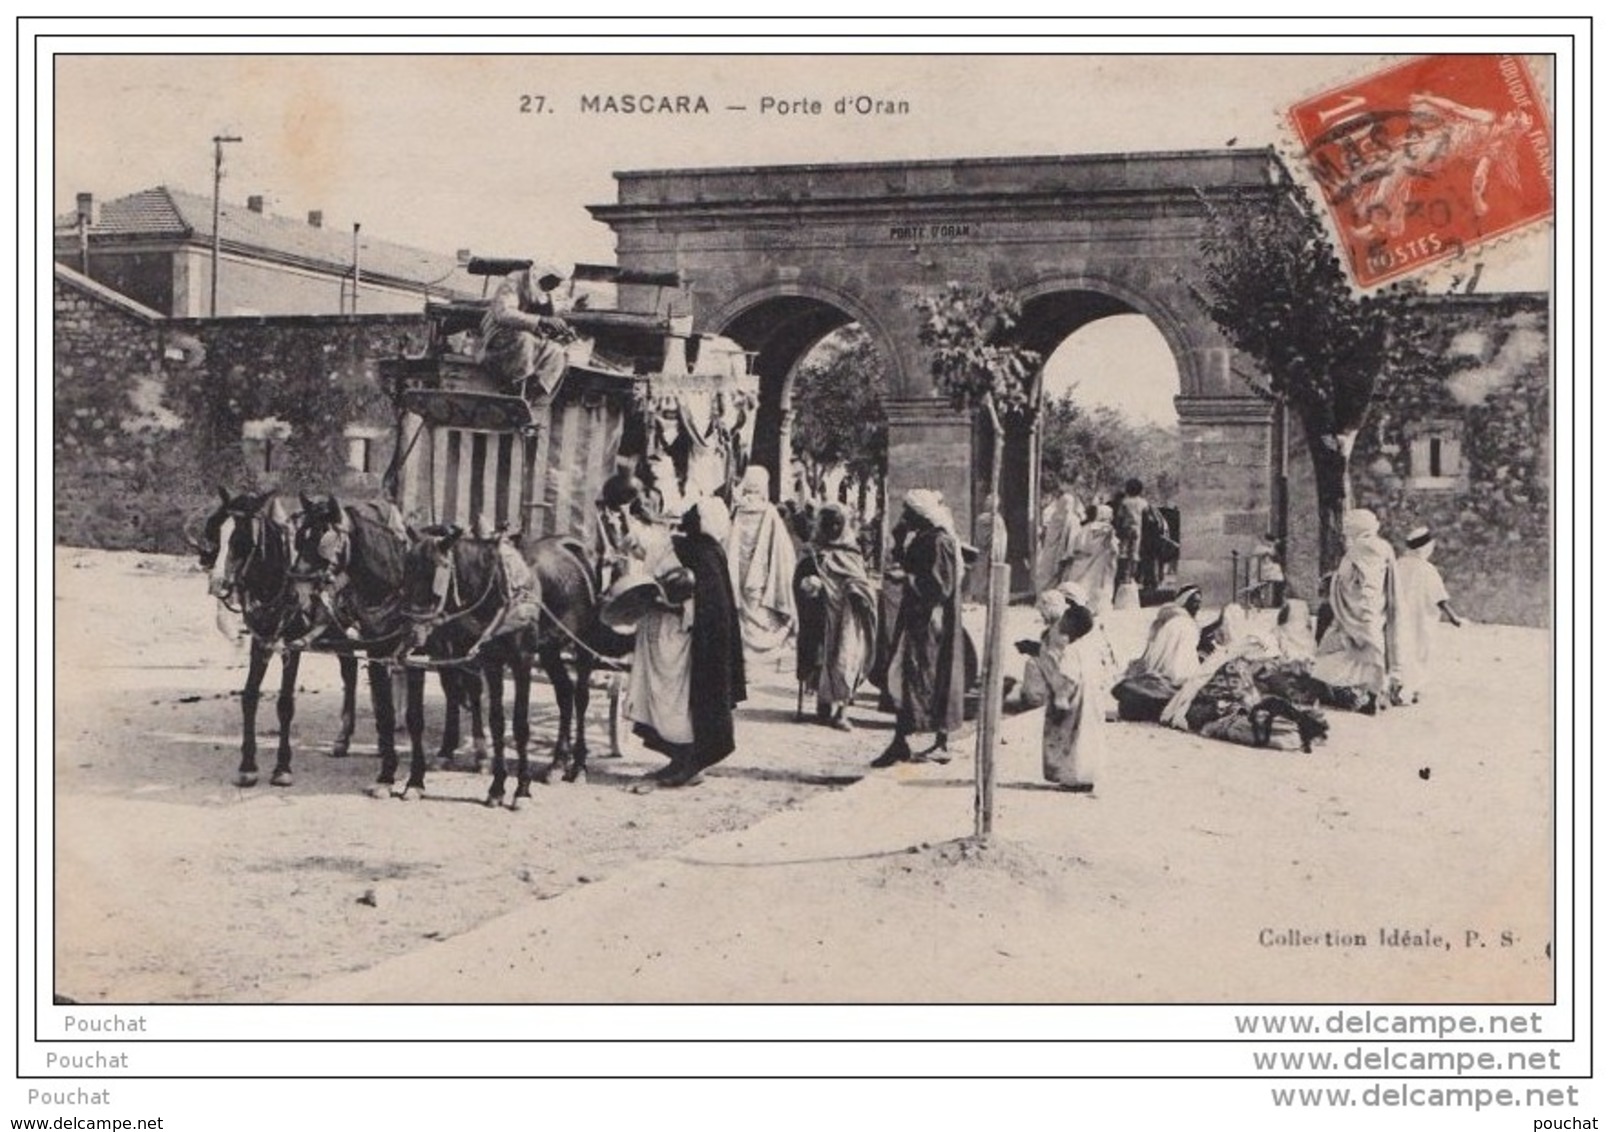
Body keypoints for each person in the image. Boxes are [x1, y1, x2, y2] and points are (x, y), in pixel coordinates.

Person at [625, 497, 746, 789]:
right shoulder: (696, 548)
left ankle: (690, 762)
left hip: (682, 641)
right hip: (669, 636)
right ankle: (680, 759)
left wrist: (667, 603)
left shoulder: (703, 554)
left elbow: (703, 605)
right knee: (664, 701)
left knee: (680, 705)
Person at [872, 490, 967, 767]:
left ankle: (938, 741)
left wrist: (908, 578)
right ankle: (901, 740)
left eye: (908, 513)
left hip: (932, 622)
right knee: (905, 675)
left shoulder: (939, 541)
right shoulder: (925, 539)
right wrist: (899, 542)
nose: (904, 517)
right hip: (918, 618)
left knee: (928, 676)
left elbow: (940, 588)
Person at [1311, 508, 1401, 714]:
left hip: (1357, 611)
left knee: (1332, 653)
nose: (1345, 531)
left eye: (1349, 527)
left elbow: (1357, 581)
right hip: (1372, 608)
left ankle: (1332, 692)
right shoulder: (1383, 546)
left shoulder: (1361, 548)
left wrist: (1333, 580)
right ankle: (1371, 698)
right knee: (1370, 657)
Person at [801, 504, 878, 730]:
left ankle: (842, 711)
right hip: (821, 615)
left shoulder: (852, 552)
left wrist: (857, 592)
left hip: (847, 615)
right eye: (828, 524)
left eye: (837, 523)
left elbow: (860, 581)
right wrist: (808, 585)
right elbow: (800, 579)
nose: (833, 528)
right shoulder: (813, 552)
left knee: (846, 658)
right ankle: (823, 704)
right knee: (820, 658)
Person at [1029, 582, 1106, 792]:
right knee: (1084, 735)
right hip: (1089, 694)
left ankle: (1075, 778)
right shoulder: (1085, 644)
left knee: (1073, 735)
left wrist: (1060, 695)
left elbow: (1066, 673)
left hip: (1072, 695)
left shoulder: (1069, 645)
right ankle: (1084, 776)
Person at [725, 465, 798, 654]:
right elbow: (783, 549)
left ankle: (744, 641)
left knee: (745, 604)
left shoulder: (738, 511)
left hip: (738, 569)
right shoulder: (769, 511)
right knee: (758, 605)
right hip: (761, 570)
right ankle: (763, 640)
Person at [480, 263, 574, 406]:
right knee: (524, 340)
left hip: (531, 338)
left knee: (557, 351)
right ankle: (514, 389)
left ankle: (533, 396)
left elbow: (548, 318)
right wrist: (540, 320)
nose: (554, 286)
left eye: (558, 283)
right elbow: (503, 313)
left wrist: (558, 329)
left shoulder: (547, 292)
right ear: (543, 274)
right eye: (553, 281)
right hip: (500, 335)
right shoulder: (515, 281)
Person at [1111, 584, 1204, 722]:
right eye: (1194, 602)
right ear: (1185, 602)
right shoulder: (1184, 625)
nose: (1198, 606)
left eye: (1199, 602)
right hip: (1170, 682)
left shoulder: (1168, 619)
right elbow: (1180, 668)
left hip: (1154, 677)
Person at [1394, 525, 1464, 704]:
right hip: (1420, 619)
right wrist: (1453, 616)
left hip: (1399, 617)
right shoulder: (1426, 569)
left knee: (1401, 649)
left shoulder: (1397, 565)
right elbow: (1439, 597)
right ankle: (1413, 689)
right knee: (1419, 651)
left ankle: (1399, 688)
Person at [1062, 503, 1120, 614]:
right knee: (1099, 586)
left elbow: (1078, 547)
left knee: (1082, 585)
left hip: (1084, 562)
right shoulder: (1107, 529)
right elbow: (1113, 547)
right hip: (1101, 562)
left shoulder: (1085, 528)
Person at [1034, 476, 1086, 593]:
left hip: (1060, 543)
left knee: (1053, 570)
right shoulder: (1065, 503)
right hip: (1054, 541)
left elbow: (1069, 524)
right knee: (1048, 569)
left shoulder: (1070, 502)